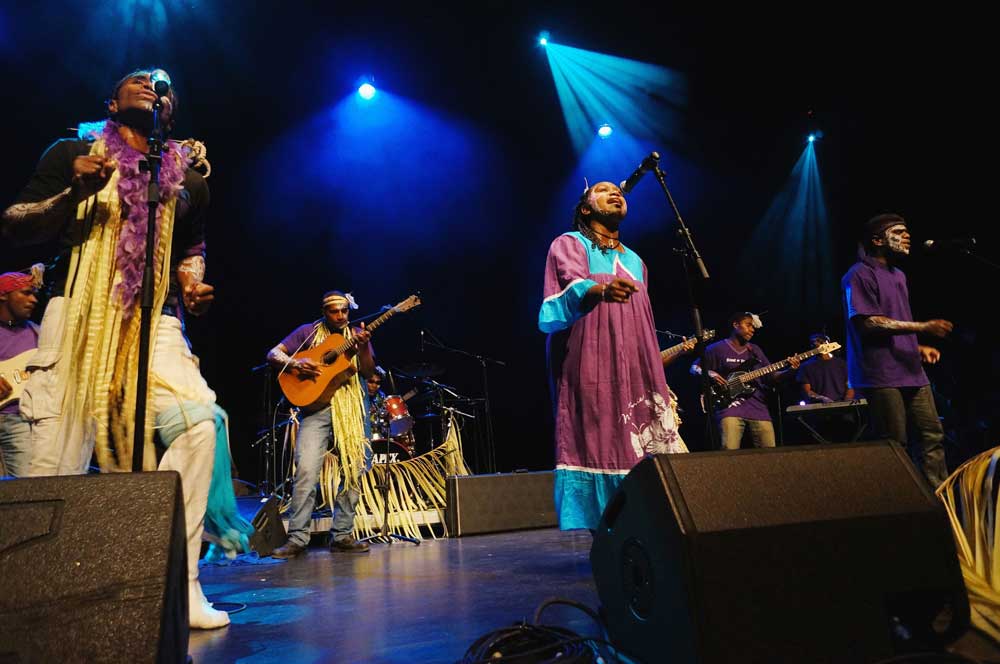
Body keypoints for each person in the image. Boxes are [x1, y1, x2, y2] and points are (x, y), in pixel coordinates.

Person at [0, 68, 244, 628]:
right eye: (136, 79)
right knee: (54, 460)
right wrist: (73, 193)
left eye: (161, 84)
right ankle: (30, 600)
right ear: (111, 103)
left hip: (154, 319)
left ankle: (180, 586)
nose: (151, 83)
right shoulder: (73, 154)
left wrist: (190, 283)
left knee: (199, 424)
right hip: (78, 312)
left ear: (170, 111)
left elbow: (192, 248)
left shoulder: (190, 180)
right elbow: (14, 224)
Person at [539, 180, 687, 532]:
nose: (615, 194)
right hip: (589, 359)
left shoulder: (636, 261)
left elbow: (642, 321)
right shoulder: (569, 243)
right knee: (598, 438)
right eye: (603, 191)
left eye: (617, 191)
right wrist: (601, 290)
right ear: (586, 208)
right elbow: (571, 284)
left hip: (634, 365)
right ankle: (607, 539)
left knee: (641, 441)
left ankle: (644, 533)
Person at [842, 213, 952, 487]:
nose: (907, 236)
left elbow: (894, 320)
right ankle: (900, 500)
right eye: (899, 232)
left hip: (910, 369)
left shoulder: (899, 276)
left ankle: (936, 498)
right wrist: (922, 327)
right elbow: (869, 323)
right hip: (880, 373)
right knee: (894, 443)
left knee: (931, 435)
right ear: (877, 240)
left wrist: (915, 346)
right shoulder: (859, 274)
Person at [267, 291, 374, 557]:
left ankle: (342, 535)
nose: (340, 316)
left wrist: (362, 347)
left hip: (352, 410)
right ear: (324, 312)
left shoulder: (356, 334)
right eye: (334, 311)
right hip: (316, 409)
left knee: (354, 470)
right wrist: (295, 363)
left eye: (344, 311)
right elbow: (273, 353)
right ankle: (297, 539)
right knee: (306, 471)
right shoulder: (308, 332)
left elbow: (369, 372)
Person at [692, 312, 799, 449]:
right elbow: (694, 367)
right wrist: (708, 372)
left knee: (771, 454)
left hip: (758, 408)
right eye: (748, 325)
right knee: (729, 453)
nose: (752, 329)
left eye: (753, 326)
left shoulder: (755, 350)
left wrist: (791, 370)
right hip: (729, 408)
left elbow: (772, 376)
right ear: (736, 325)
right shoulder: (717, 348)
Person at [0, 268, 40, 477]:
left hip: (21, 419)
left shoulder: (38, 332)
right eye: (25, 293)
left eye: (34, 294)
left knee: (27, 487)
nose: (33, 300)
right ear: (3, 295)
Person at [796, 333, 854, 403]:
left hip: (842, 404)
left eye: (819, 341)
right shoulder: (805, 366)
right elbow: (807, 391)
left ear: (827, 343)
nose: (816, 344)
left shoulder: (842, 364)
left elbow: (850, 386)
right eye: (813, 342)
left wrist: (847, 400)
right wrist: (822, 398)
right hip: (818, 406)